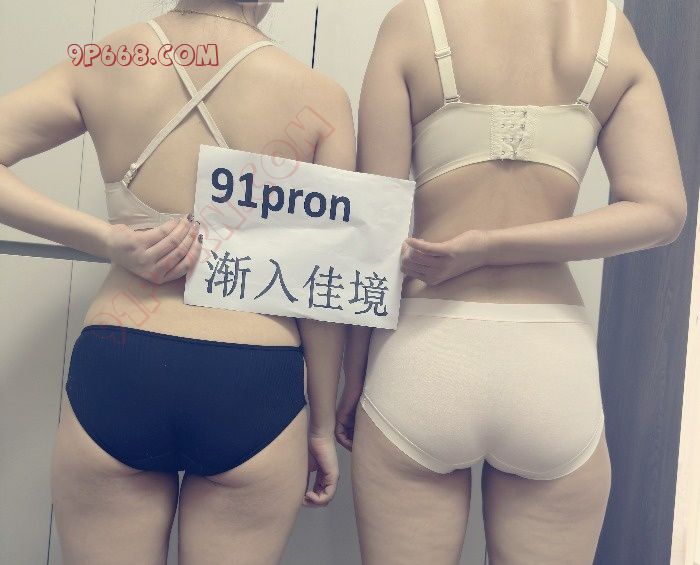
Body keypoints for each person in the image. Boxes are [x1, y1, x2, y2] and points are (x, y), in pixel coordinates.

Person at [0, 1, 355, 563]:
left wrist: (106, 240)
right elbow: (322, 278)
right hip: (253, 376)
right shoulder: (320, 96)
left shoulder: (109, 59)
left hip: (122, 360)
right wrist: (320, 421)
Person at [338, 0, 687, 563]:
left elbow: (373, 229)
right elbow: (663, 212)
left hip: (424, 355)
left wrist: (353, 376)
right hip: (551, 368)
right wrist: (493, 247)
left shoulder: (412, 22)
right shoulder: (607, 32)